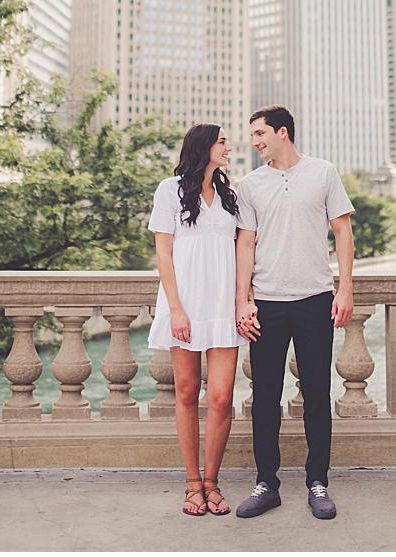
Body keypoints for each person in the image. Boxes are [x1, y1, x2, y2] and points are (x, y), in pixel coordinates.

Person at [231, 105, 356, 522]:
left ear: (283, 132)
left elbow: (343, 232)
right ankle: (266, 483)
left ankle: (317, 482)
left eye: (260, 134)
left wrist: (345, 289)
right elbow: (245, 244)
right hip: (266, 302)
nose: (255, 142)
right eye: (251, 136)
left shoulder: (323, 172)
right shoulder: (249, 185)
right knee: (265, 396)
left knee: (317, 394)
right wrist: (243, 299)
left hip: (315, 298)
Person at [148, 123, 243, 517]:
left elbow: (243, 251)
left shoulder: (230, 195)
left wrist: (243, 300)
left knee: (220, 399)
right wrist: (176, 309)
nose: (230, 147)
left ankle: (212, 482)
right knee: (187, 393)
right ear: (204, 146)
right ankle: (191, 484)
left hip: (223, 306)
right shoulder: (168, 191)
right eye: (223, 141)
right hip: (184, 304)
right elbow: (164, 254)